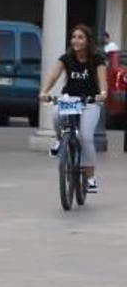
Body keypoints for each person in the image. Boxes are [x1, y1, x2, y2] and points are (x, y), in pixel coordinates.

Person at [39, 24, 108, 192]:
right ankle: (59, 139)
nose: (76, 40)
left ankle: (90, 177)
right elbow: (54, 75)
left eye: (80, 37)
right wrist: (44, 91)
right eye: (74, 37)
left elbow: (102, 80)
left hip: (90, 101)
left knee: (85, 137)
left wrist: (103, 93)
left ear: (87, 41)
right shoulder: (66, 58)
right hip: (71, 99)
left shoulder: (96, 58)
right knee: (56, 114)